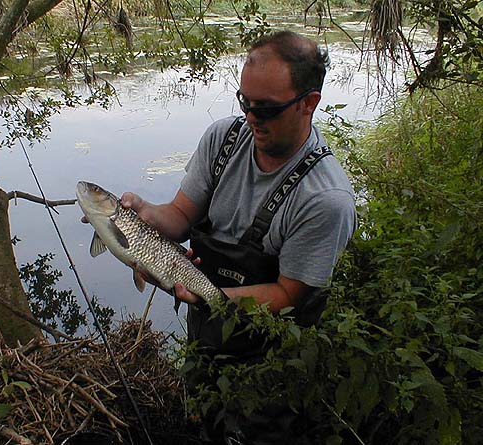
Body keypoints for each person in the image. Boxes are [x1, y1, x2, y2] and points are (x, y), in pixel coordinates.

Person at [100, 30, 355, 442]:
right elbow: (181, 216)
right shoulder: (224, 138)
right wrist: (147, 213)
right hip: (205, 334)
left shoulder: (325, 200)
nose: (252, 118)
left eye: (267, 109)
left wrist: (212, 297)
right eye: (245, 103)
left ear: (309, 104)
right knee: (200, 419)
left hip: (271, 359)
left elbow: (290, 295)